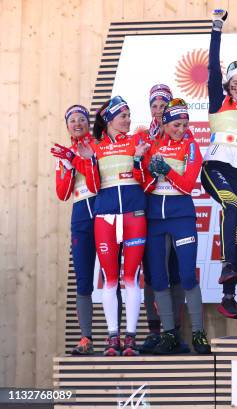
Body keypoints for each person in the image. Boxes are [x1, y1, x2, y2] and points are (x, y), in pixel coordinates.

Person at [133, 98, 211, 354]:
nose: (182, 129)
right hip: (155, 219)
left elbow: (188, 185)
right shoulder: (152, 144)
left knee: (187, 275)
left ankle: (199, 333)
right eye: (177, 124)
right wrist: (141, 164)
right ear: (165, 124)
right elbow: (143, 182)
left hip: (181, 217)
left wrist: (165, 169)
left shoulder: (190, 145)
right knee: (158, 279)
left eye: (186, 124)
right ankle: (168, 333)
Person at [201, 9, 237, 319]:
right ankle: (226, 265)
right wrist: (217, 29)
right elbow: (212, 68)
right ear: (227, 83)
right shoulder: (216, 100)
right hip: (215, 168)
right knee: (231, 205)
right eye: (235, 82)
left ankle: (227, 296)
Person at [83, 96, 150, 356]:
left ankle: (130, 338)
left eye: (129, 115)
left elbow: (144, 181)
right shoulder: (95, 147)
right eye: (123, 115)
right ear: (110, 119)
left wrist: (137, 159)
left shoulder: (137, 142)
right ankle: (113, 337)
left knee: (130, 277)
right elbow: (92, 187)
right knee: (109, 279)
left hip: (134, 215)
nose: (128, 120)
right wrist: (89, 161)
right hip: (106, 218)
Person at [135, 84, 187, 354]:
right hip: (148, 212)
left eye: (162, 107)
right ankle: (154, 331)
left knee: (176, 273)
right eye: (154, 106)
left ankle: (175, 331)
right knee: (153, 275)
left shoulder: (177, 135)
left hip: (175, 213)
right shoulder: (142, 136)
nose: (157, 111)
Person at [51, 105, 98, 355]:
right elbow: (62, 193)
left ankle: (120, 338)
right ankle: (86, 338)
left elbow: (96, 179)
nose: (77, 123)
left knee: (114, 278)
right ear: (67, 125)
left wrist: (79, 160)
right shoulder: (65, 153)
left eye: (82, 119)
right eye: (72, 120)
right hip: (80, 216)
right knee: (83, 280)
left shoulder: (98, 146)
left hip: (103, 212)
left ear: (88, 123)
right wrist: (68, 165)